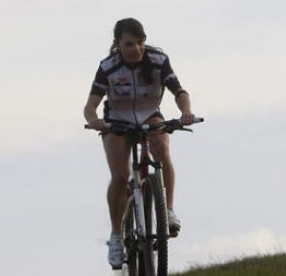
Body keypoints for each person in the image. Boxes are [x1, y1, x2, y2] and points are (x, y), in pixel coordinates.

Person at [84, 18, 195, 268]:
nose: (136, 49)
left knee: (163, 149)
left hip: (149, 113)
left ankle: (167, 211)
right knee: (121, 176)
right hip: (117, 120)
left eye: (141, 43)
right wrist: (94, 120)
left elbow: (180, 92)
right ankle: (116, 236)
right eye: (129, 44)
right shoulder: (108, 67)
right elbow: (89, 105)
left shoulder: (158, 60)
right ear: (118, 45)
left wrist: (186, 111)